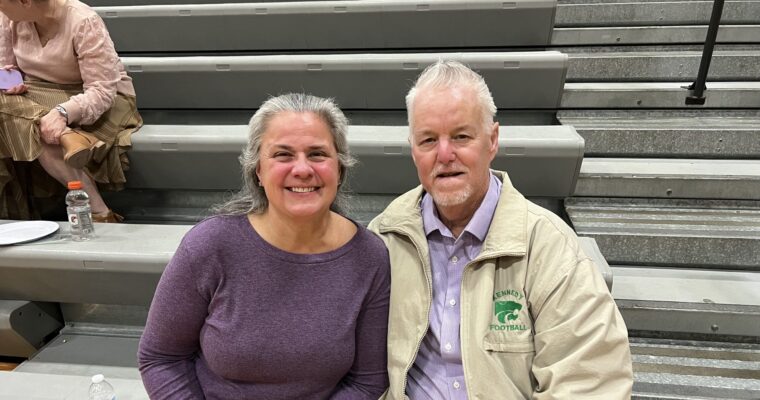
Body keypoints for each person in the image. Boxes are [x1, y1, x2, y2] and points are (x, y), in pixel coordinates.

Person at [368, 61, 633, 399]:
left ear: (492, 140)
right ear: (413, 149)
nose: (444, 154)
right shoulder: (384, 238)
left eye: (461, 136)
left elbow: (591, 382)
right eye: (428, 140)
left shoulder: (548, 246)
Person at [138, 93, 391, 399]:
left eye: (317, 154)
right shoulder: (209, 246)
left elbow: (366, 381)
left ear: (339, 168)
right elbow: (161, 358)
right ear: (258, 170)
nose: (302, 169)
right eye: (283, 155)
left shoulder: (369, 257)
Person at [0, 0, 142, 221]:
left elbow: (102, 90)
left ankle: (99, 211)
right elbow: (5, 66)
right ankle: (68, 137)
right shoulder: (9, 17)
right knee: (37, 123)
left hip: (97, 98)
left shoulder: (83, 20)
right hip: (39, 92)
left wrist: (62, 113)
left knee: (33, 124)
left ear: (25, 2)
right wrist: (11, 79)